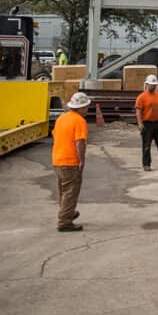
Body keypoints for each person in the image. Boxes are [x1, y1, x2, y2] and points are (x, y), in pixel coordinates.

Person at [52, 92, 90, 232]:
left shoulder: (62, 118)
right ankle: (64, 221)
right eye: (85, 107)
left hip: (58, 160)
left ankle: (68, 212)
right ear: (79, 108)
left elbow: (56, 135)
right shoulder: (79, 121)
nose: (87, 110)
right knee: (71, 191)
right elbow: (80, 142)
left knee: (63, 189)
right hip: (70, 162)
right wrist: (81, 160)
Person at [135, 74, 158, 172]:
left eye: (155, 85)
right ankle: (146, 164)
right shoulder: (141, 97)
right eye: (152, 84)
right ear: (147, 84)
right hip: (147, 124)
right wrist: (140, 123)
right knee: (146, 145)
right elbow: (138, 111)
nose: (153, 86)